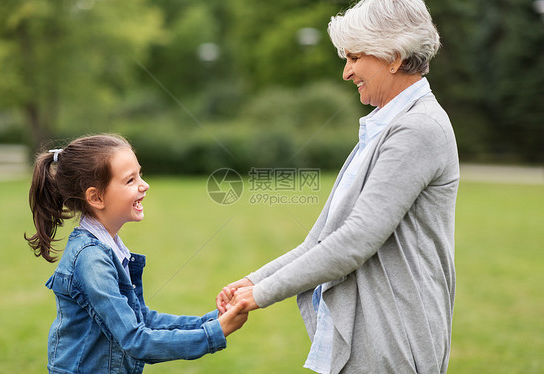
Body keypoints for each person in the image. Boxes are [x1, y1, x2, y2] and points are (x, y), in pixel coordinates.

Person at [217, 0, 459, 372]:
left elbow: (356, 240)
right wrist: (252, 280)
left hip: (395, 336)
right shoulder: (385, 126)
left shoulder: (417, 128)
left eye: (354, 58)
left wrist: (261, 295)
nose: (346, 73)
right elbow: (321, 240)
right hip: (370, 333)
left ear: (393, 56)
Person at [25, 134, 248, 373]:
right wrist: (215, 333)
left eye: (139, 174)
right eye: (130, 180)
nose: (144, 185)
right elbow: (136, 340)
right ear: (96, 197)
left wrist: (212, 320)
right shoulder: (91, 259)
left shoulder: (108, 248)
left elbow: (142, 319)